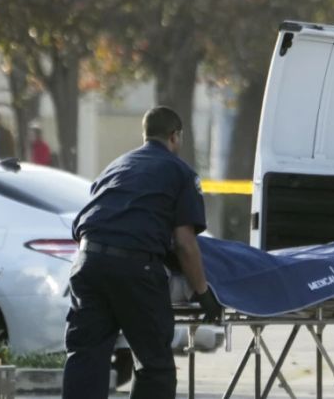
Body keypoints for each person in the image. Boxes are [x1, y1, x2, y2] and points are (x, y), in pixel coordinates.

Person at [63, 106, 222, 399]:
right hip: (134, 267)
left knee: (86, 358)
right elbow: (185, 243)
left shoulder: (115, 166)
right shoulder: (180, 172)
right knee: (154, 364)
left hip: (87, 264)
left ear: (145, 134)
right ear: (175, 136)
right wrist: (203, 293)